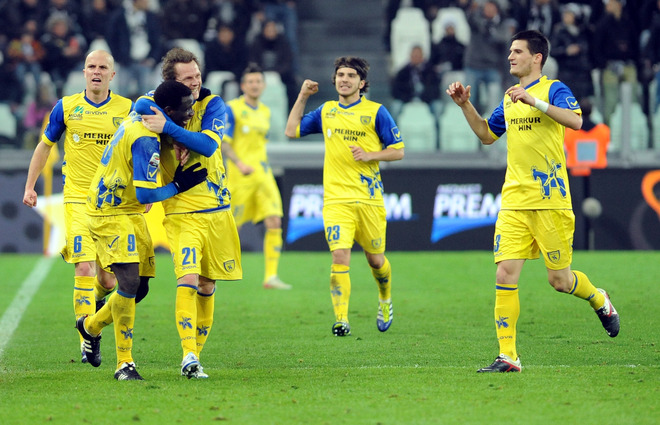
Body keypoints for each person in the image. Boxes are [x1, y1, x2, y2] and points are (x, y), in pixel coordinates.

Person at [446, 30, 620, 373]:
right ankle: (508, 356)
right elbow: (485, 135)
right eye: (510, 51)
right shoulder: (509, 98)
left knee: (560, 281)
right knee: (505, 274)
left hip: (551, 200)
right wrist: (465, 105)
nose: (510, 56)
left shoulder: (553, 89)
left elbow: (577, 121)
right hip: (514, 200)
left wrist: (535, 102)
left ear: (536, 57)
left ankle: (599, 299)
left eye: (517, 51)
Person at [77, 80, 208, 381]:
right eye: (186, 109)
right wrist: (178, 186)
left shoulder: (145, 111)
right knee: (129, 282)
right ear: (169, 110)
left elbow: (141, 102)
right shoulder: (146, 139)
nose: (191, 114)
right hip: (110, 210)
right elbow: (148, 195)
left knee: (142, 286)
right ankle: (124, 363)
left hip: (129, 210)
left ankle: (90, 326)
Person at [137, 47, 243, 379]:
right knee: (188, 278)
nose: (195, 83)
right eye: (188, 78)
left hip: (218, 209)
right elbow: (138, 106)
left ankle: (195, 353)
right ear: (171, 82)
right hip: (182, 210)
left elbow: (209, 145)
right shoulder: (155, 102)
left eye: (197, 76)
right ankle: (188, 356)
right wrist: (173, 129)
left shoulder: (213, 105)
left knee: (208, 286)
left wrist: (169, 128)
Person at [23, 50, 132, 364]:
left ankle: (92, 316)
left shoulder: (127, 110)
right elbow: (45, 146)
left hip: (113, 204)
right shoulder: (66, 106)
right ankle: (88, 339)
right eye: (91, 67)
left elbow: (138, 152)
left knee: (109, 281)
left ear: (113, 75)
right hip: (77, 200)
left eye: (103, 67)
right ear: (84, 72)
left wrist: (142, 194)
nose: (96, 72)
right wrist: (30, 186)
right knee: (83, 266)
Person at [284, 56, 405, 336]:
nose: (344, 79)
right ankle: (342, 319)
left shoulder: (377, 112)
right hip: (336, 199)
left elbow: (398, 150)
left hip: (369, 198)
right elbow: (291, 131)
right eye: (340, 74)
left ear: (362, 83)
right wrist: (302, 96)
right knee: (340, 256)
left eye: (351, 75)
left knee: (376, 260)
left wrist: (370, 155)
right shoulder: (326, 111)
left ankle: (385, 298)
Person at [223, 63, 291, 290]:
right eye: (250, 81)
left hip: (263, 174)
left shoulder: (265, 112)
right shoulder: (232, 109)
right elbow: (224, 142)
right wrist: (239, 163)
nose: (254, 85)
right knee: (232, 228)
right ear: (243, 85)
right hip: (239, 176)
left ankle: (271, 276)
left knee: (274, 220)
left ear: (263, 86)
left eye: (258, 81)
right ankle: (216, 270)